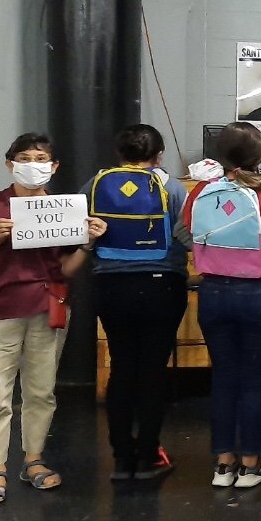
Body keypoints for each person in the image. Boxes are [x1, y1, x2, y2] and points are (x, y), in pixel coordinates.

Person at [0, 133, 106, 505]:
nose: (33, 164)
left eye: (41, 158)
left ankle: (33, 459)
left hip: (47, 309)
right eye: (24, 157)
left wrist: (88, 243)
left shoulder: (64, 209)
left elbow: (66, 266)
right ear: (10, 164)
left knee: (41, 390)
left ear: (53, 166)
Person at [180, 122, 261, 488]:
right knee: (253, 380)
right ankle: (250, 465)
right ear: (259, 156)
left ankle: (222, 464)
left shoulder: (202, 190)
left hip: (213, 292)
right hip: (260, 294)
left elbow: (188, 232)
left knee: (223, 376)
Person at [84, 124, 191, 480]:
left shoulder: (95, 185)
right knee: (152, 370)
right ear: (159, 155)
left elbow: (76, 229)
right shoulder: (171, 187)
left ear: (120, 153)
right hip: (161, 286)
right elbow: (186, 235)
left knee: (122, 367)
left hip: (110, 287)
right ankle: (149, 455)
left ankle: (121, 459)